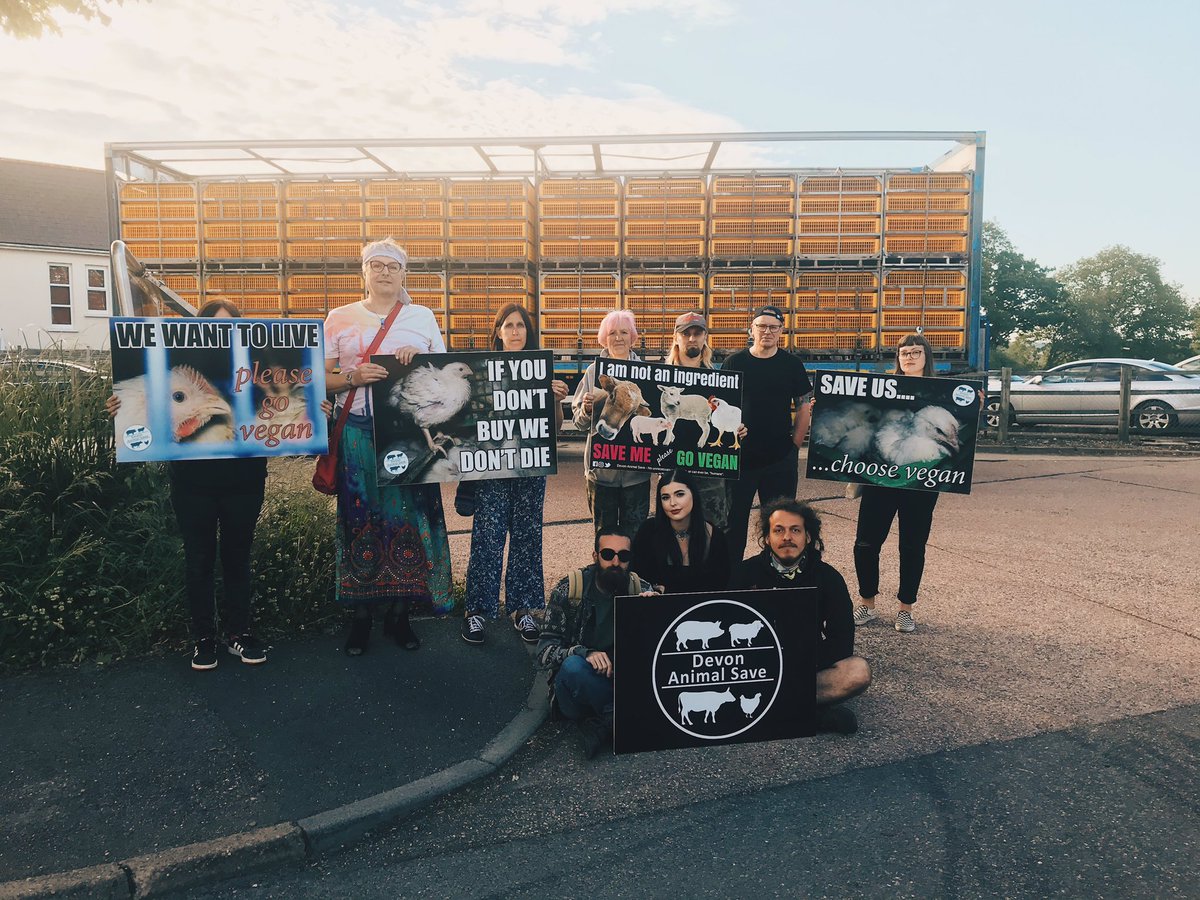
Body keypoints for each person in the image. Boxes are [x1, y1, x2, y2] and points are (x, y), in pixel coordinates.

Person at [105, 299, 271, 670]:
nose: (222, 335)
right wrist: (122, 411)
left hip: (245, 481)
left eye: (231, 327)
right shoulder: (169, 381)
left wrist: (317, 411)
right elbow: (143, 425)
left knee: (238, 557)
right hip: (193, 483)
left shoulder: (256, 375)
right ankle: (203, 638)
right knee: (198, 559)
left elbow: (290, 425)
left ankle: (239, 634)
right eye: (214, 327)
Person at [323, 237, 452, 656]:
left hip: (406, 435)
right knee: (360, 519)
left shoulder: (422, 316)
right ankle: (361, 617)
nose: (383, 272)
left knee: (407, 522)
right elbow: (319, 379)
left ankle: (400, 614)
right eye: (375, 265)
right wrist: (352, 379)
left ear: (403, 274)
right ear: (363, 271)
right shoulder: (339, 318)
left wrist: (419, 359)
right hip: (358, 431)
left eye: (391, 266)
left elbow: (446, 375)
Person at [461, 303, 569, 646]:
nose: (515, 331)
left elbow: (554, 427)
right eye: (508, 325)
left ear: (528, 331)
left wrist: (555, 399)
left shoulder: (540, 370)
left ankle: (523, 609)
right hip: (492, 467)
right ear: (498, 332)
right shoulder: (481, 373)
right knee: (487, 538)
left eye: (520, 325)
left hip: (530, 465)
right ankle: (477, 610)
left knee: (526, 536)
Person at [729, 498, 872, 734]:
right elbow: (727, 629)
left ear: (808, 537)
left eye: (795, 530)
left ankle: (769, 708)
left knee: (858, 672)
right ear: (766, 538)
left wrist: (800, 665)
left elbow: (842, 640)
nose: (787, 537)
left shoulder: (829, 578)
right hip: (753, 671)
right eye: (779, 530)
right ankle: (811, 715)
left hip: (805, 668)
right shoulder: (744, 574)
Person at [536, 528, 655, 758]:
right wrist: (583, 652)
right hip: (577, 690)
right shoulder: (569, 589)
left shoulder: (638, 588)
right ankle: (626, 716)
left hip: (620, 681)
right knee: (572, 666)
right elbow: (544, 653)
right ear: (595, 556)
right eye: (608, 554)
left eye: (624, 556)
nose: (616, 562)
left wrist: (654, 611)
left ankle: (606, 723)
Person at [852, 333, 941, 634]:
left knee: (912, 545)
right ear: (898, 359)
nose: (910, 357)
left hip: (921, 482)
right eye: (904, 352)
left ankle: (906, 608)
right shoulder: (880, 391)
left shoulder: (944, 392)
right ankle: (867, 602)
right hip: (880, 478)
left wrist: (976, 407)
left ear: (927, 357)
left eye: (916, 352)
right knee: (866, 542)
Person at [722, 305, 813, 564]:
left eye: (773, 327)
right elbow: (720, 404)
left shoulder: (791, 364)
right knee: (734, 525)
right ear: (751, 329)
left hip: (779, 459)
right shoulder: (734, 362)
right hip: (740, 460)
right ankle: (733, 581)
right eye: (761, 326)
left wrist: (794, 445)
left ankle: (775, 577)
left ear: (781, 331)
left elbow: (804, 404)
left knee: (780, 525)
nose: (767, 331)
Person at [570, 309, 651, 538]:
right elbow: (579, 422)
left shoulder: (648, 374)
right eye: (612, 332)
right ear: (604, 337)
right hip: (601, 474)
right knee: (603, 536)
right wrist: (586, 410)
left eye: (624, 332)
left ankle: (635, 575)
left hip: (636, 475)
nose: (618, 338)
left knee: (636, 538)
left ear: (632, 337)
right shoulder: (594, 372)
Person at [665, 311, 745, 531]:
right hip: (674, 471)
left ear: (704, 337)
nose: (692, 338)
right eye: (686, 333)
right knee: (675, 534)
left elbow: (730, 419)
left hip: (711, 473)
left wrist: (739, 429)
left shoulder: (720, 382)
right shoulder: (661, 378)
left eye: (697, 333)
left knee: (713, 533)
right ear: (676, 338)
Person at [630, 469, 729, 594]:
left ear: (693, 494)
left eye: (680, 494)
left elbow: (720, 586)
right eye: (665, 497)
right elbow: (639, 578)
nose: (672, 503)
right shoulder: (648, 532)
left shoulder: (715, 537)